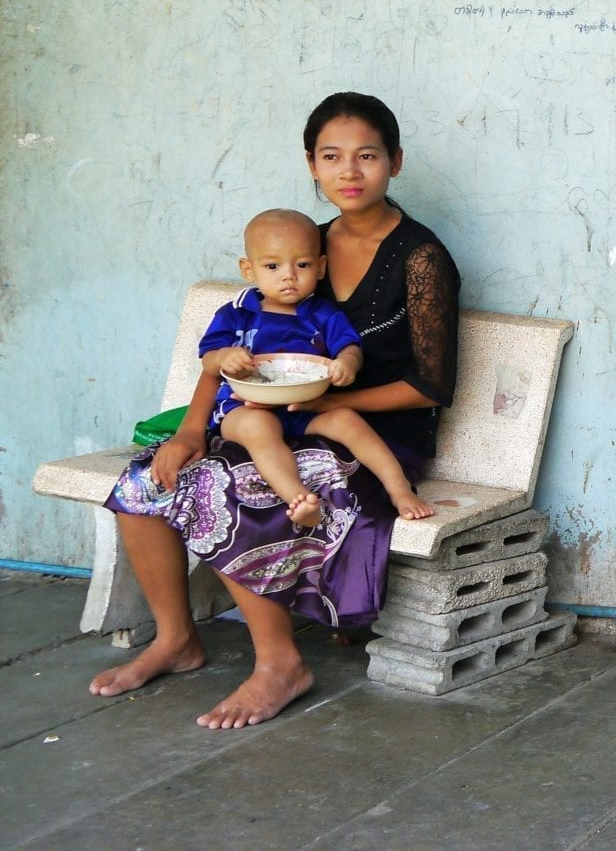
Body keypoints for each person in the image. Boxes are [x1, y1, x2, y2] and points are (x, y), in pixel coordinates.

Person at [90, 92, 460, 730]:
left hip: (368, 433)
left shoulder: (421, 257)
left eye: (367, 156)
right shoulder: (294, 243)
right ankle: (175, 639)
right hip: (275, 420)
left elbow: (430, 385)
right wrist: (187, 432)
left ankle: (279, 664)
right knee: (151, 479)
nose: (350, 171)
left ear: (395, 163)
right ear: (312, 165)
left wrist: (332, 398)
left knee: (242, 481)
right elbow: (231, 352)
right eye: (332, 156)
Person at [203, 207, 435, 527]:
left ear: (321, 267)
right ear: (248, 269)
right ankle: (298, 499)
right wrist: (225, 356)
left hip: (306, 406)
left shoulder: (323, 314)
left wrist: (347, 364)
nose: (289, 275)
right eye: (272, 266)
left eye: (303, 264)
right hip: (245, 407)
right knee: (259, 428)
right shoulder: (236, 313)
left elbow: (349, 347)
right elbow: (209, 359)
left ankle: (399, 490)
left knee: (347, 421)